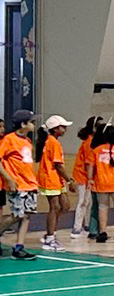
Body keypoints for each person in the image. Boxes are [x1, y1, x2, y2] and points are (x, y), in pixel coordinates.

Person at [0, 111, 40, 258]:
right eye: (31, 122)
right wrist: (9, 179)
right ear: (23, 124)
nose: (34, 125)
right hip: (18, 184)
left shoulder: (28, 142)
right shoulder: (9, 140)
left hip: (29, 184)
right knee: (17, 214)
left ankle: (19, 247)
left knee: (26, 215)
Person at [37, 115, 71, 252]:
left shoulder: (53, 141)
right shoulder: (53, 142)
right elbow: (58, 165)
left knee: (65, 206)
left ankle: (50, 233)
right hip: (50, 179)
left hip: (57, 179)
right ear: (56, 129)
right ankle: (50, 238)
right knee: (55, 207)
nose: (65, 129)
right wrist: (70, 180)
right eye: (63, 126)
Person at [70, 118, 98, 241]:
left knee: (88, 201)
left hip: (86, 177)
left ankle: (85, 226)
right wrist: (90, 178)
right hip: (82, 176)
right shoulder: (89, 143)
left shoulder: (92, 141)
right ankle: (76, 228)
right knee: (82, 202)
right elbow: (88, 163)